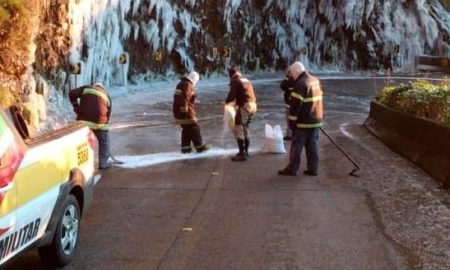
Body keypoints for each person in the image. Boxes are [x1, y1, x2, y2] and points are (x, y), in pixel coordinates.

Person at [278, 62, 323, 176]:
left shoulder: (300, 84)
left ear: (296, 72)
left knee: (296, 146)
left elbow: (295, 106)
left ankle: (292, 169)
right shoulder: (315, 80)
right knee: (312, 146)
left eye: (292, 74)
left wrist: (292, 123)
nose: (292, 77)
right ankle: (313, 169)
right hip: (315, 120)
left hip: (303, 122)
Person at [69, 83, 112, 169]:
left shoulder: (86, 88)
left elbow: (71, 93)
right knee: (104, 142)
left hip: (83, 120)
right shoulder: (107, 95)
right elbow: (108, 113)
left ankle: (78, 163)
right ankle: (103, 163)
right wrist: (104, 126)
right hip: (99, 122)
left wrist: (76, 107)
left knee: (80, 142)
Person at [173, 71, 210, 153]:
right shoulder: (188, 85)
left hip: (178, 112)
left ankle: (185, 148)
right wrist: (184, 108)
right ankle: (199, 146)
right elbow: (185, 96)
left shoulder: (181, 83)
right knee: (194, 127)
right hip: (186, 111)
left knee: (186, 128)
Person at [225, 67, 257, 161]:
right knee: (245, 127)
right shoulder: (245, 80)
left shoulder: (235, 81)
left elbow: (231, 96)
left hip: (245, 106)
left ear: (231, 75)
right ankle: (246, 151)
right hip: (253, 105)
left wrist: (226, 103)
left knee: (238, 127)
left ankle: (242, 153)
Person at [280, 72, 295, 140]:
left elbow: (282, 85)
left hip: (290, 103)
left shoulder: (289, 79)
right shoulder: (300, 79)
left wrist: (287, 77)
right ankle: (292, 134)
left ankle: (290, 135)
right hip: (294, 102)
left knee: (289, 119)